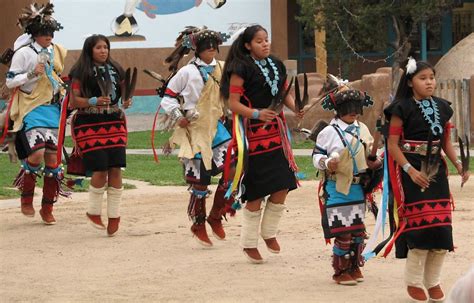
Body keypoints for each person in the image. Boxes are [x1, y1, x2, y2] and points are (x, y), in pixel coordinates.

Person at [383, 58, 470, 302]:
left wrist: (459, 165)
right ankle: (413, 281)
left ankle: (433, 282)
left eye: (431, 77)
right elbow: (392, 145)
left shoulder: (443, 107)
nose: (429, 82)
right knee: (420, 230)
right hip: (412, 172)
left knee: (441, 229)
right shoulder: (401, 108)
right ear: (410, 82)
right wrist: (410, 170)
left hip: (436, 173)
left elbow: (446, 143)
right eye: (423, 78)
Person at [220, 25, 303, 263]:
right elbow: (233, 104)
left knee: (283, 183)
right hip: (253, 136)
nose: (265, 44)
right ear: (248, 45)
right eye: (259, 41)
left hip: (276, 135)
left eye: (266, 40)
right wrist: (257, 114)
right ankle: (248, 243)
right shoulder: (240, 68)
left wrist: (295, 107)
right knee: (256, 190)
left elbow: (283, 93)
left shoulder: (275, 64)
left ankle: (268, 232)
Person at [160, 26, 234, 247]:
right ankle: (199, 222)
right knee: (200, 180)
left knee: (232, 169)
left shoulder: (223, 68)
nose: (211, 48)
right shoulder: (186, 72)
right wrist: (177, 116)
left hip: (218, 129)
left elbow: (231, 95)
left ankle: (216, 215)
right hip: (194, 129)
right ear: (196, 48)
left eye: (213, 45)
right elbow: (168, 97)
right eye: (205, 45)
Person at [312, 77, 380, 285]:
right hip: (337, 186)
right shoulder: (328, 132)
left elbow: (371, 156)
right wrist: (326, 162)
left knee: (358, 230)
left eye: (356, 108)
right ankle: (340, 271)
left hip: (358, 187)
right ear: (338, 109)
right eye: (349, 108)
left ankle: (353, 266)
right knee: (344, 231)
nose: (354, 112)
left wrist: (375, 161)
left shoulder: (364, 130)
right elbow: (316, 156)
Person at [6, 3, 67, 225]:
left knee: (53, 160)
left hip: (53, 108)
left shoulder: (57, 51)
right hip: (31, 107)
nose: (48, 37)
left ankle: (47, 208)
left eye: (51, 33)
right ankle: (26, 198)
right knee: (36, 154)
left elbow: (59, 75)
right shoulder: (23, 53)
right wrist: (31, 73)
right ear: (34, 34)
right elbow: (10, 80)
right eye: (43, 33)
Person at [69, 35, 132, 236]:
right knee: (100, 169)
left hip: (114, 121)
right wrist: (93, 100)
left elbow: (123, 92)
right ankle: (94, 211)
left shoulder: (116, 68)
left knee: (116, 168)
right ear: (90, 50)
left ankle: (114, 215)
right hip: (89, 123)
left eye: (106, 47)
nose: (103, 51)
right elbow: (73, 101)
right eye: (99, 47)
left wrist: (127, 100)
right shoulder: (80, 71)